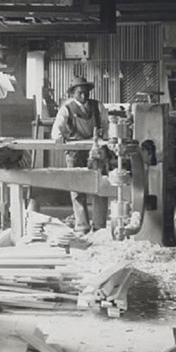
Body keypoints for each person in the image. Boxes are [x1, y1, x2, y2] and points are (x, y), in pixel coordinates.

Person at [51, 76, 109, 235]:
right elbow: (56, 130)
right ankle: (82, 225)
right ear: (73, 93)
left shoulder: (98, 106)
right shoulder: (66, 109)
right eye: (79, 93)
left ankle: (99, 225)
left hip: (96, 150)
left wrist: (107, 139)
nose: (83, 96)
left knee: (100, 186)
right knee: (77, 189)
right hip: (75, 152)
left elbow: (106, 125)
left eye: (86, 93)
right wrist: (59, 137)